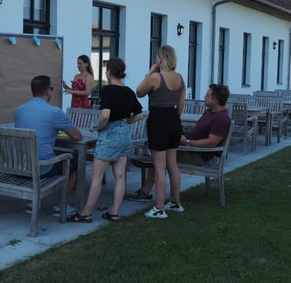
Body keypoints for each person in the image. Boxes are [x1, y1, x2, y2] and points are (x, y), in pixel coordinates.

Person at [126, 84, 231, 203]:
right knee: (161, 148)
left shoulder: (221, 119)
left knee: (159, 156)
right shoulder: (210, 112)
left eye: (207, 95)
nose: (204, 96)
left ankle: (146, 192)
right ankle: (148, 188)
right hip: (189, 147)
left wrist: (187, 142)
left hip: (198, 155)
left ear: (215, 101)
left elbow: (212, 143)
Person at [68, 57, 143, 223]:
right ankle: (114, 212)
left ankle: (85, 213)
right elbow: (139, 114)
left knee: (96, 176)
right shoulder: (129, 91)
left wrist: (101, 127)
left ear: (108, 72)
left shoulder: (108, 90)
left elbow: (105, 114)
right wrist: (125, 123)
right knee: (120, 176)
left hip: (110, 134)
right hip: (124, 134)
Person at [15, 75, 82, 217]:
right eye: (51, 88)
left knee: (45, 151)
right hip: (43, 167)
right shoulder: (54, 112)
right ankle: (60, 204)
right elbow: (77, 137)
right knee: (76, 160)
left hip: (21, 166)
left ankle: (32, 202)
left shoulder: (20, 110)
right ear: (47, 91)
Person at [135, 45, 185, 219]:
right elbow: (180, 107)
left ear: (161, 58)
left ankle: (159, 207)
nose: (155, 59)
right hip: (174, 120)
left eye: (157, 57)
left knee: (159, 166)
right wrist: (173, 121)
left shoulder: (156, 77)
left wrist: (150, 72)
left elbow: (139, 92)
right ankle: (176, 202)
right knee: (172, 164)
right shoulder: (180, 79)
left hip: (158, 120)